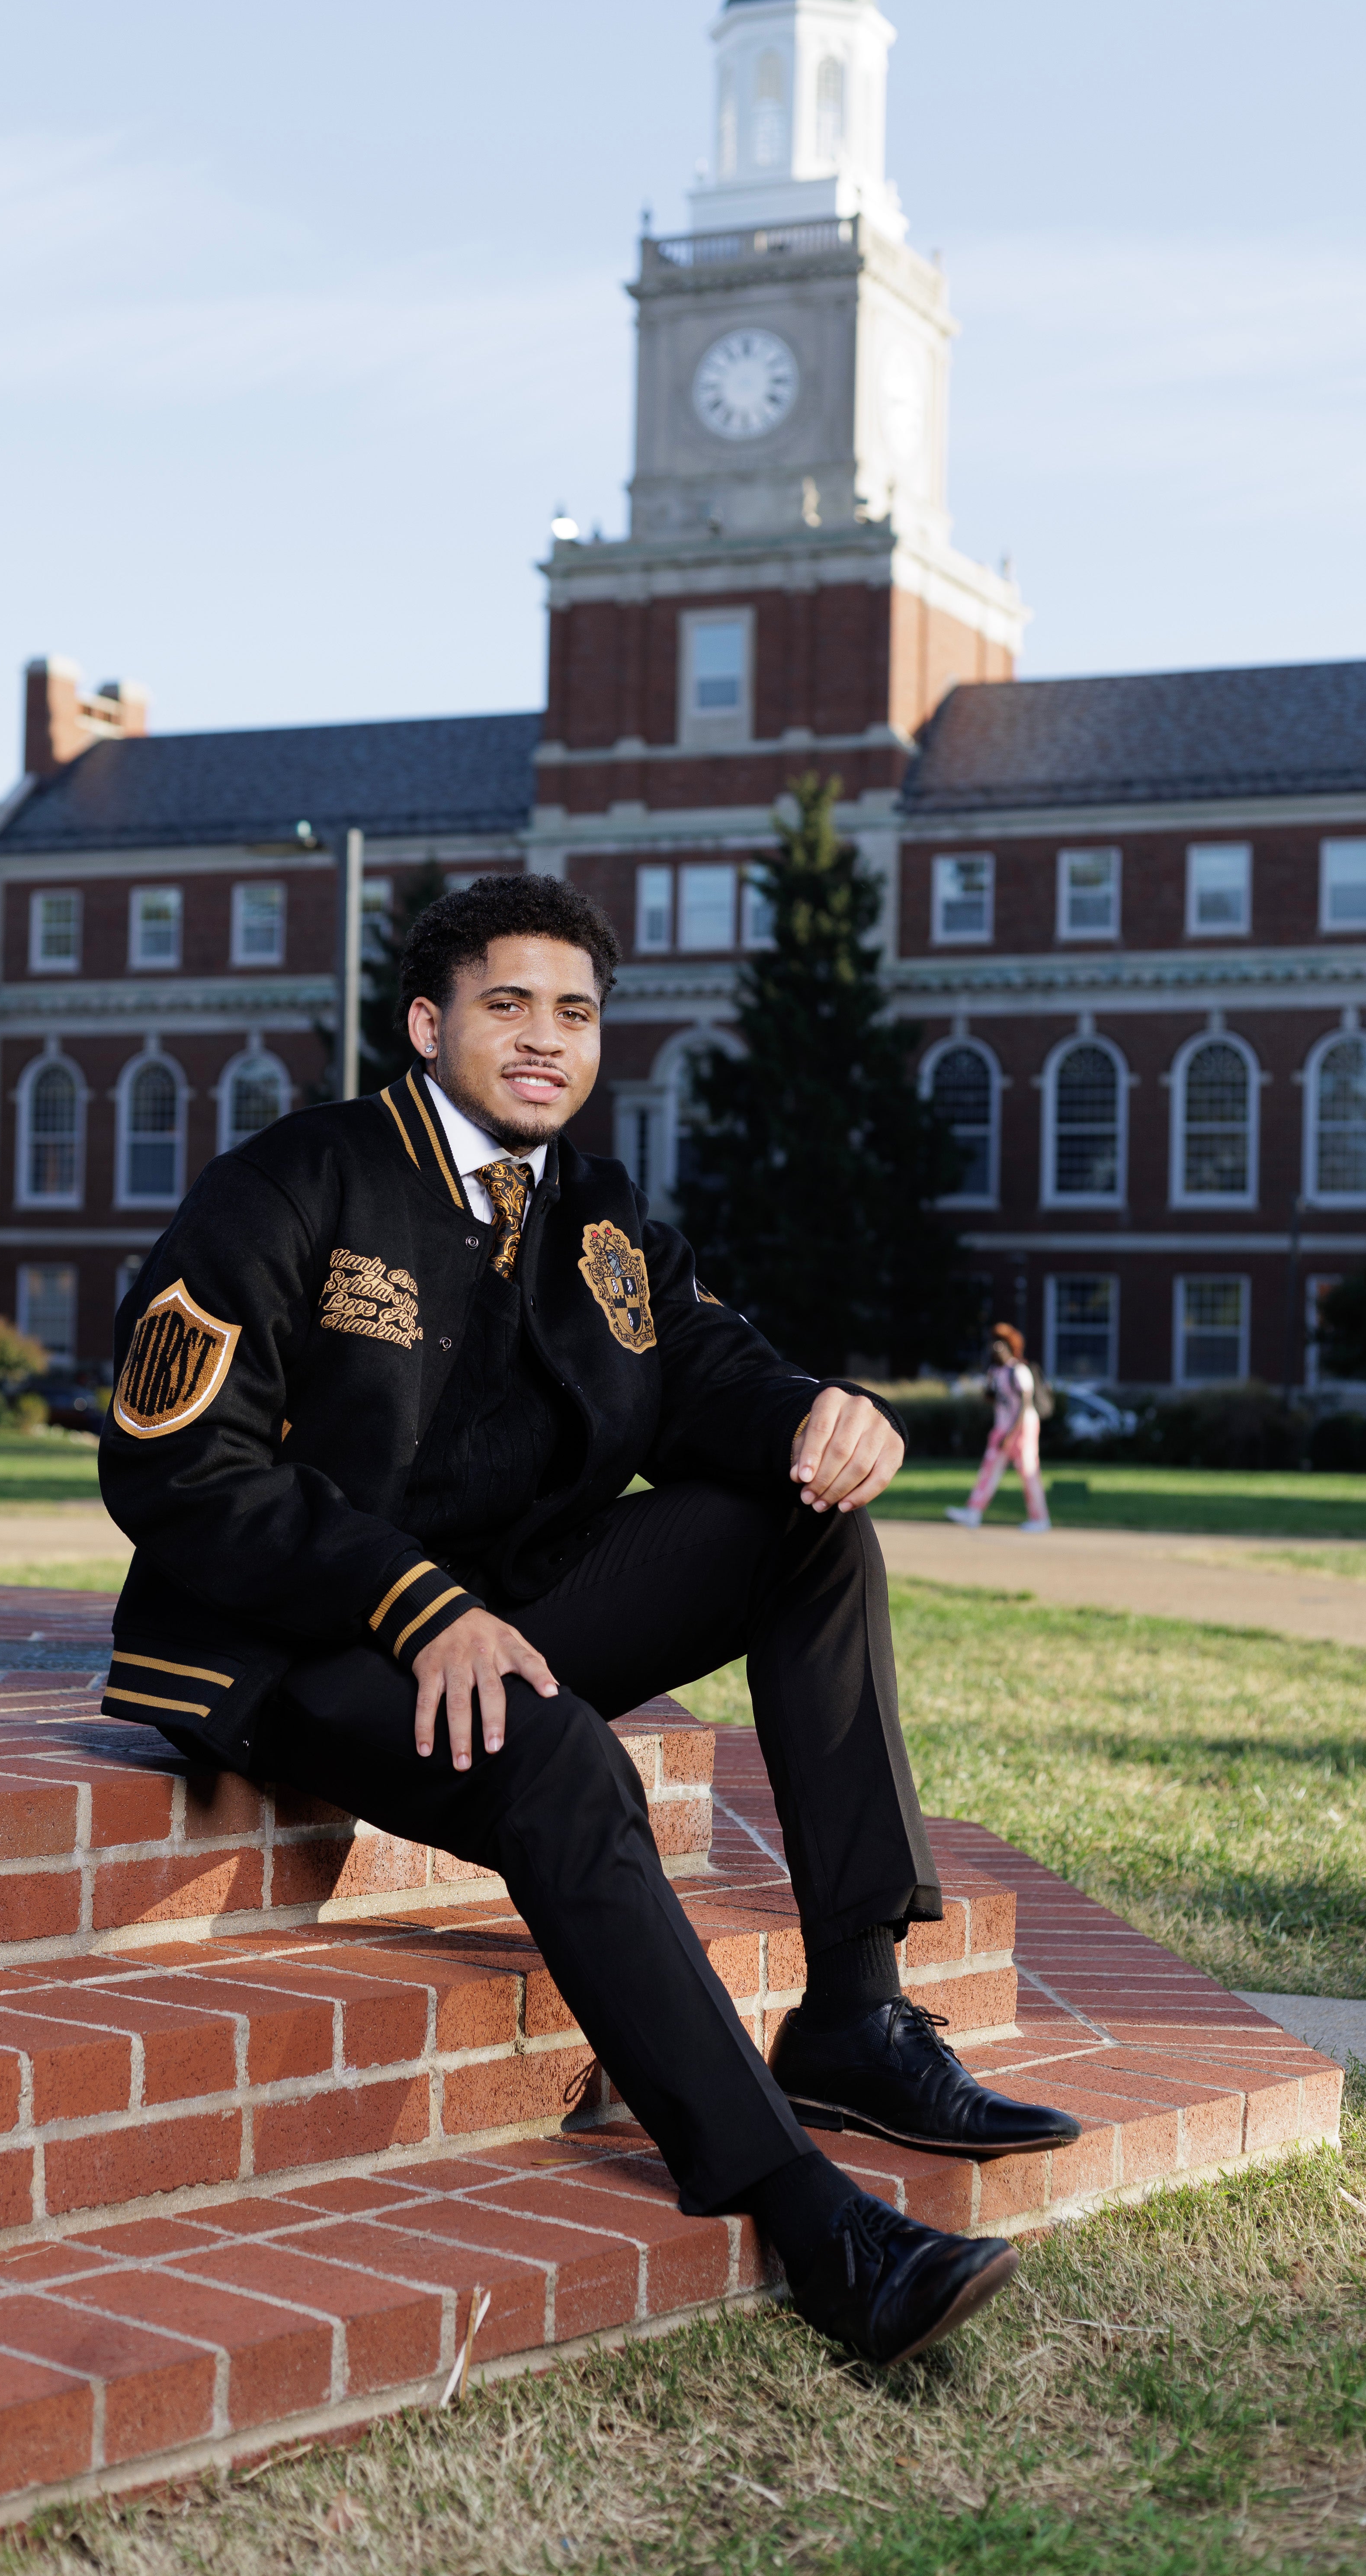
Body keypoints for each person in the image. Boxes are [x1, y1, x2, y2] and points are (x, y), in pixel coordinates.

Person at [98, 875, 1078, 2371]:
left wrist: (826, 1413)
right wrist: (416, 1607)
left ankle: (859, 2019)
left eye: (577, 1012)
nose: (547, 1039)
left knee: (808, 1526)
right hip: (306, 1642)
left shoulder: (600, 1215)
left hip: (508, 1613)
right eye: (508, 1006)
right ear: (428, 1025)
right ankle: (808, 2213)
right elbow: (174, 1466)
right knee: (558, 1759)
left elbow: (708, 1376)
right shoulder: (296, 1182)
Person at [946, 1325, 1052, 1533]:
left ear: (1009, 1348)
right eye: (993, 1346)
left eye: (1000, 1346)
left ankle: (1040, 1519)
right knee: (989, 1469)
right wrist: (990, 1383)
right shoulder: (997, 1372)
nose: (995, 1350)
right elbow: (992, 1399)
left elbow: (1025, 1404)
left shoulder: (1020, 1370)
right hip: (1002, 1428)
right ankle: (974, 1512)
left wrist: (1011, 1434)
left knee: (1029, 1472)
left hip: (1022, 1428)